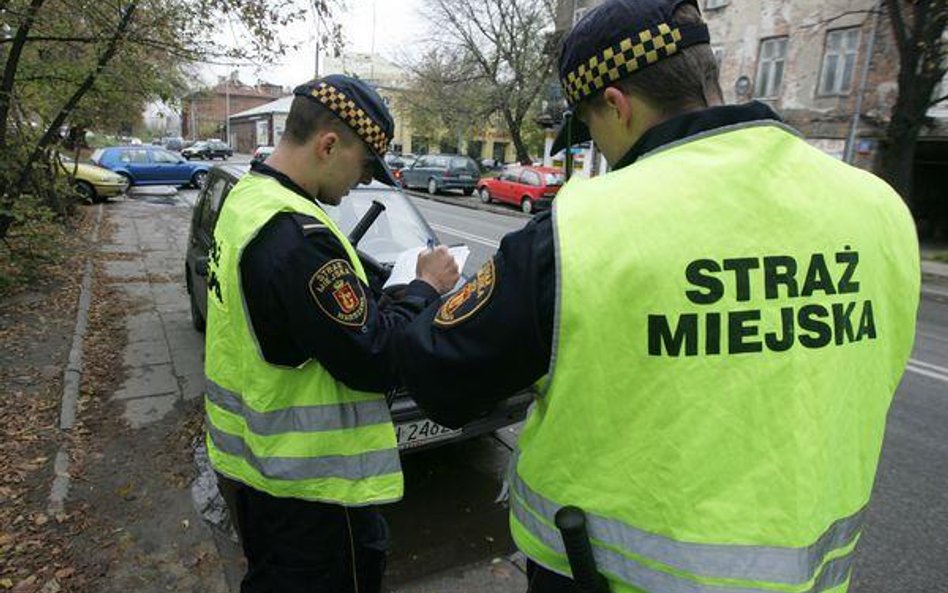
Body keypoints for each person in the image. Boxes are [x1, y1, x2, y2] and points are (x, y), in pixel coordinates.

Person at [394, 1, 920, 591]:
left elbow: (439, 373)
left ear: (616, 106)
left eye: (590, 127)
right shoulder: (878, 208)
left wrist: (422, 293)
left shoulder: (578, 230)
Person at [203, 74, 459, 592]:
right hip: (315, 498)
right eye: (364, 165)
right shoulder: (297, 237)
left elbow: (309, 324)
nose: (363, 182)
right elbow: (376, 358)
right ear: (327, 145)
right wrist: (426, 288)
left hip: (259, 476)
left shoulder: (249, 200)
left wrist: (383, 298)